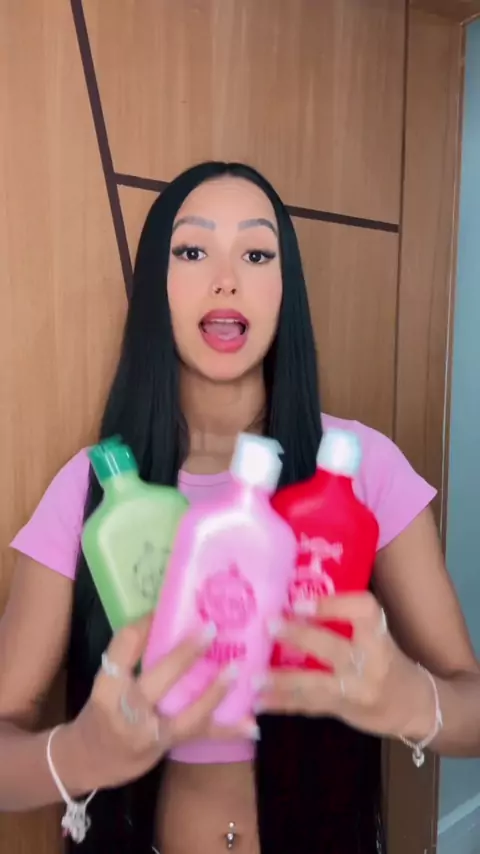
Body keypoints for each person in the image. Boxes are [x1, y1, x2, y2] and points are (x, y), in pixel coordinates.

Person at [0, 161, 479, 854]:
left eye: (256, 254)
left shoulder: (362, 470)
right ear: (154, 285)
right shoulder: (91, 491)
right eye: (192, 251)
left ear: (287, 289)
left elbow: (472, 707)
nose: (226, 279)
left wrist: (413, 701)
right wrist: (78, 754)